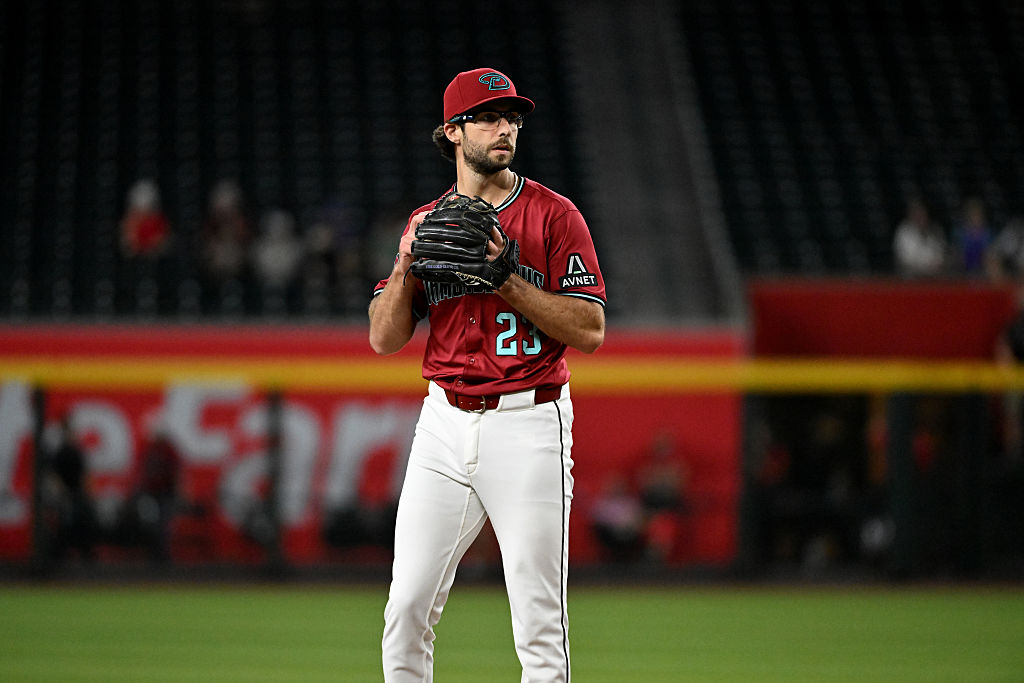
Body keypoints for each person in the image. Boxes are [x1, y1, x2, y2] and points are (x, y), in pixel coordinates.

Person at [369, 67, 606, 682]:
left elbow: (589, 330)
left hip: (528, 423)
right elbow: (383, 337)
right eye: (490, 118)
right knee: (406, 609)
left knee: (538, 625)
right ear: (453, 131)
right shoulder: (429, 223)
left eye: (513, 119)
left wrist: (506, 279)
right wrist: (405, 262)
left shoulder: (554, 216)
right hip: (443, 423)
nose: (506, 129)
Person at [892, 196, 947, 278]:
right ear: (911, 215)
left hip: (934, 276)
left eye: (922, 213)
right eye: (916, 213)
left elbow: (940, 254)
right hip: (911, 276)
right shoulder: (904, 232)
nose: (920, 216)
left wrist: (934, 267)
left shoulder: (935, 230)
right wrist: (922, 268)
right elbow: (904, 259)